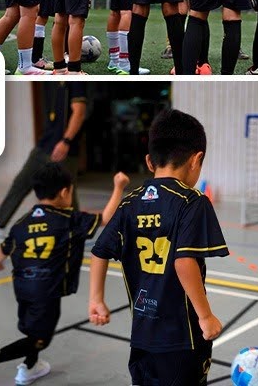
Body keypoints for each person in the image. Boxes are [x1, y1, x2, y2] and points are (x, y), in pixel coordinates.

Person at [89, 109, 229, 386]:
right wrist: (205, 316)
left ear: (149, 161)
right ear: (196, 159)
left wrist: (96, 299)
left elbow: (99, 251)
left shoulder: (130, 202)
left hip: (142, 334)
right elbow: (183, 262)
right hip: (182, 338)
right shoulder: (192, 201)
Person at [0, 165, 129, 386]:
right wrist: (119, 187)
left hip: (22, 286)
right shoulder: (68, 219)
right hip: (47, 289)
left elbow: (5, 246)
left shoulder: (22, 222)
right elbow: (106, 218)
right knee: (41, 338)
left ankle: (29, 368)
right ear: (65, 192)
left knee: (33, 328)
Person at [0, 82, 87, 239]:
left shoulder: (75, 81)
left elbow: (79, 112)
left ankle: (78, 230)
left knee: (66, 193)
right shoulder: (52, 82)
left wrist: (66, 141)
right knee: (22, 181)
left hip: (64, 147)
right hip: (46, 143)